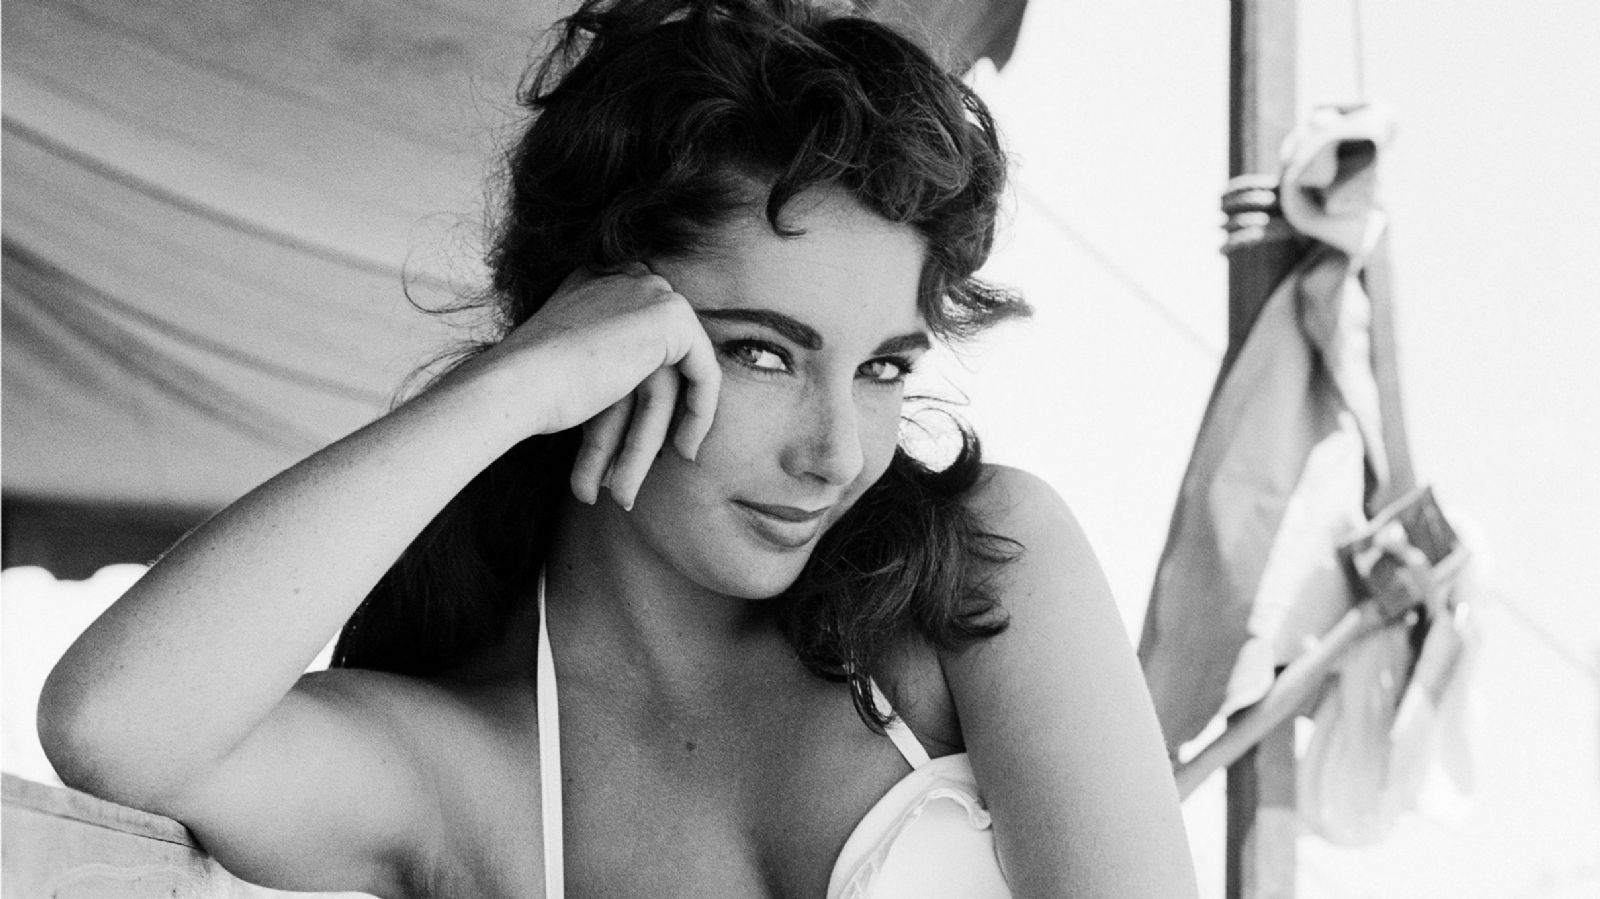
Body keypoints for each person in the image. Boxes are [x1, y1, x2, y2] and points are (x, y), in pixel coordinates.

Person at [38, 1, 1197, 896]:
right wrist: (509, 386)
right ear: (599, 330)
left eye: (882, 368)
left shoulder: (976, 573)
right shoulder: (467, 771)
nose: (836, 452)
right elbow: (114, 729)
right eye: (762, 353)